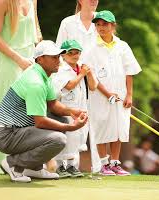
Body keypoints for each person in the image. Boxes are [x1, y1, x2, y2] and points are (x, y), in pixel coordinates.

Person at [0, 40, 88, 183]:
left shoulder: (44, 75)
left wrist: (72, 111)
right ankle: (14, 164)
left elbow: (53, 105)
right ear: (40, 59)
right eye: (54, 57)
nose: (59, 60)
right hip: (6, 135)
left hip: (16, 131)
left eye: (59, 56)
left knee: (60, 119)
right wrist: (70, 127)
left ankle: (34, 168)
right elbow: (40, 122)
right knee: (58, 139)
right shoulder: (35, 82)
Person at [0, 0, 42, 174]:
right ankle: (1, 164)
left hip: (31, 60)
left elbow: (36, 33)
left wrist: (42, 59)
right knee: (9, 111)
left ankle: (26, 163)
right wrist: (19, 60)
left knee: (31, 110)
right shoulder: (1, 2)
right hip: (10, 62)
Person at [83, 10, 142, 176]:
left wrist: (129, 95)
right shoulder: (91, 48)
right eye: (98, 24)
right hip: (99, 96)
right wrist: (107, 93)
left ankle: (115, 163)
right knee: (101, 126)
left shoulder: (122, 46)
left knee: (118, 128)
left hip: (121, 96)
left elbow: (129, 71)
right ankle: (103, 164)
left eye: (105, 24)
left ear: (113, 26)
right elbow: (91, 75)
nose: (101, 27)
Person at [56, 0, 101, 172]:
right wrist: (70, 73)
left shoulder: (102, 21)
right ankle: (63, 165)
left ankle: (94, 167)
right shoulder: (67, 23)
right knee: (70, 124)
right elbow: (59, 53)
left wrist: (89, 74)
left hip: (93, 80)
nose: (93, 0)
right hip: (70, 79)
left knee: (85, 129)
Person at [52, 40, 98, 178]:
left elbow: (93, 86)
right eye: (70, 53)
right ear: (63, 55)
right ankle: (60, 166)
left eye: (77, 53)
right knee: (66, 136)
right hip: (66, 108)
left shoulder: (81, 68)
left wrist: (88, 74)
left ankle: (72, 166)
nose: (74, 55)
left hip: (81, 107)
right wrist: (82, 74)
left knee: (78, 138)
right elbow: (69, 85)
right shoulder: (60, 69)